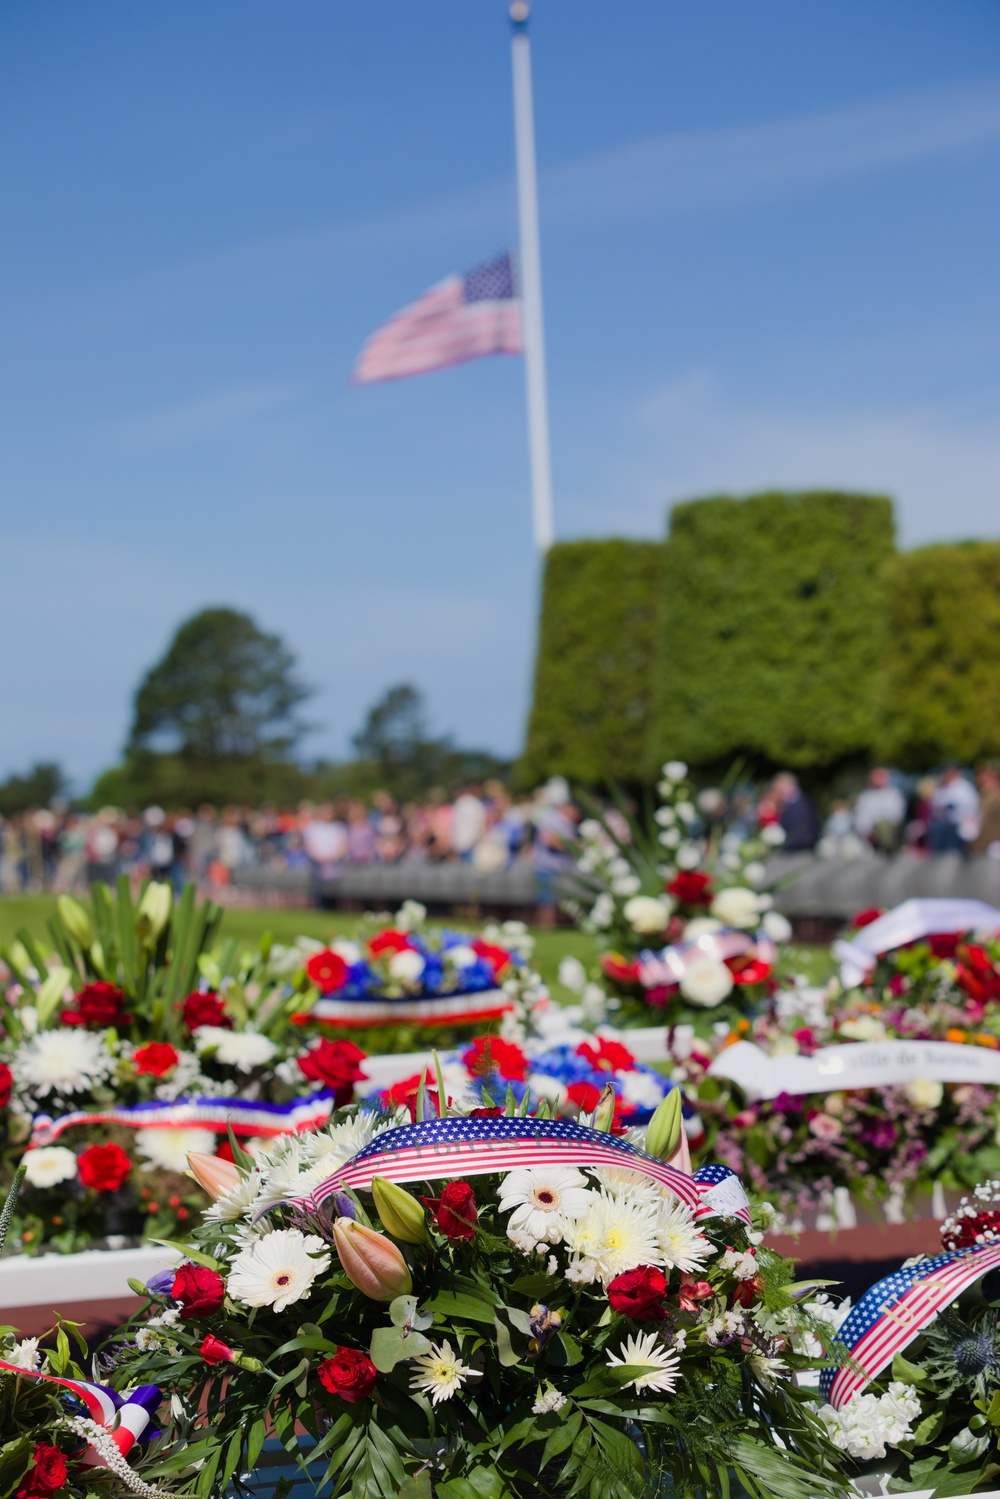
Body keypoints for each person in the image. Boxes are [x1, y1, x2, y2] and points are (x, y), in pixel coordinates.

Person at [928, 767, 980, 855]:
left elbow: (968, 805)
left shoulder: (964, 787)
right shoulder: (942, 786)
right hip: (943, 824)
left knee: (954, 851)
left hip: (958, 824)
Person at [853, 767, 906, 853]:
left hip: (890, 829)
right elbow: (861, 817)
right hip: (871, 832)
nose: (879, 779)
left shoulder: (894, 794)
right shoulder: (865, 796)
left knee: (883, 825)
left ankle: (889, 846)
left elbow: (897, 815)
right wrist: (868, 831)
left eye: (881, 777)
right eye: (877, 777)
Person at [770, 773, 821, 852]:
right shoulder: (797, 801)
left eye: (776, 786)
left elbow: (802, 833)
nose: (775, 790)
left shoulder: (799, 804)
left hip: (800, 850)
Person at [972, 764, 1000, 858]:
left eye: (983, 775)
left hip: (994, 846)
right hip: (980, 844)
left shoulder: (996, 796)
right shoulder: (981, 795)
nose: (979, 778)